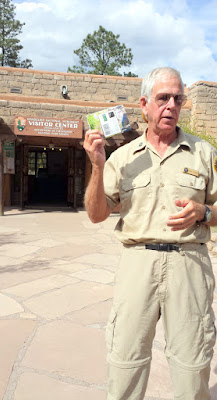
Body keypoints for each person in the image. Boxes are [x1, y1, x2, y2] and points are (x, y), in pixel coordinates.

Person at [83, 67, 217, 400]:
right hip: (137, 266)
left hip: (190, 267)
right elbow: (97, 214)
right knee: (125, 362)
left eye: (178, 98)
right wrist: (98, 166)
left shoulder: (204, 153)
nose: (171, 105)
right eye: (162, 98)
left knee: (192, 364)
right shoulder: (122, 158)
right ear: (144, 105)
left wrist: (206, 212)